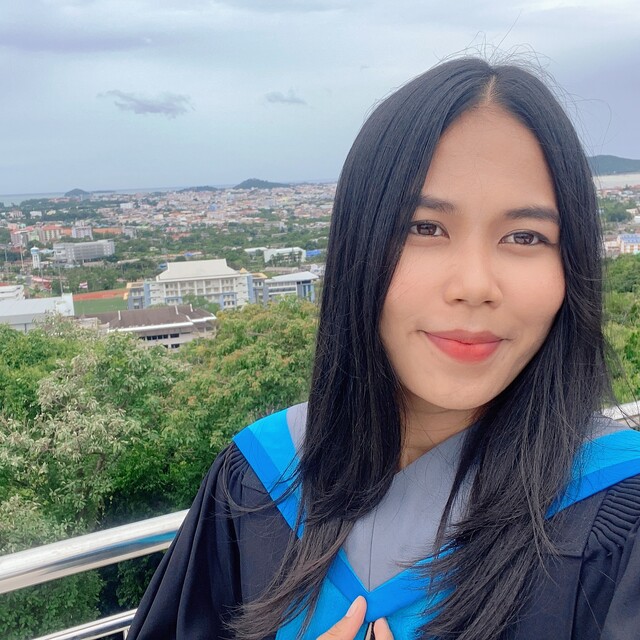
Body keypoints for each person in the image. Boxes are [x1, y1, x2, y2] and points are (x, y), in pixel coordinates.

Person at [127, 57, 640, 640]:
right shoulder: (260, 477)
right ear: (358, 244)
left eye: (525, 236)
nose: (475, 285)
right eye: (425, 227)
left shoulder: (622, 513)